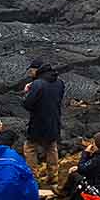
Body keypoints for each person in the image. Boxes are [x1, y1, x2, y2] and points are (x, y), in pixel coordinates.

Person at [22, 58, 65, 190]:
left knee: (30, 148)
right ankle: (53, 178)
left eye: (32, 70)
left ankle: (32, 178)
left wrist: (26, 92)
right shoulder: (59, 82)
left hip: (38, 123)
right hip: (54, 121)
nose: (30, 73)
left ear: (37, 69)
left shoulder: (38, 84)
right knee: (51, 148)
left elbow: (28, 104)